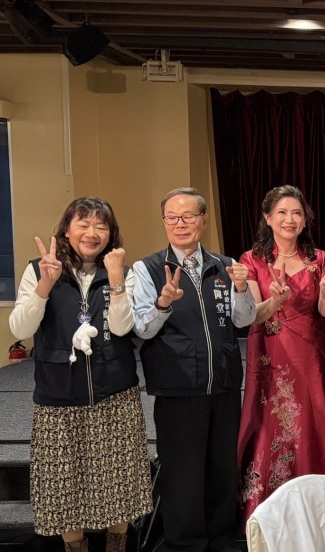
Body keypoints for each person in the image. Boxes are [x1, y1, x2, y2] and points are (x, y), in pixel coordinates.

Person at [9, 198, 152, 552]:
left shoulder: (123, 271)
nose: (92, 233)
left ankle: (117, 546)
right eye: (83, 224)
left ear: (111, 233)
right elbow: (20, 328)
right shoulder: (39, 269)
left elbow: (123, 328)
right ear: (66, 230)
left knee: (119, 483)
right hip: (58, 397)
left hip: (114, 395)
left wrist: (116, 280)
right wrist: (45, 285)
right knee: (64, 486)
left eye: (101, 226)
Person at [133, 187, 256, 552]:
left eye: (188, 216)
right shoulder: (148, 268)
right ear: (164, 222)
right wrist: (163, 303)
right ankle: (184, 543)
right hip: (178, 387)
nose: (180, 223)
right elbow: (142, 329)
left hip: (223, 383)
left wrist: (242, 288)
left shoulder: (224, 264)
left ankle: (221, 539)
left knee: (222, 469)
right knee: (182, 474)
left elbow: (243, 320)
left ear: (203, 220)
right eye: (172, 217)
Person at [236, 185, 325, 521]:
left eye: (296, 213)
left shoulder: (319, 259)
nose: (289, 219)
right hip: (270, 357)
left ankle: (318, 511)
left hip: (309, 356)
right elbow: (253, 315)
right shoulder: (251, 260)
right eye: (282, 212)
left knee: (314, 424)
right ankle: (268, 512)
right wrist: (276, 301)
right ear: (268, 218)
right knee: (271, 427)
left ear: (305, 220)